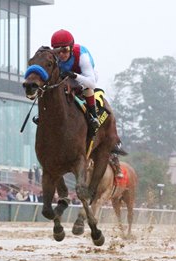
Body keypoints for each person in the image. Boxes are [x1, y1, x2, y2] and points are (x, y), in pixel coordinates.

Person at [51, 29, 124, 178]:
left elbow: (91, 82)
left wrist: (73, 75)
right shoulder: (54, 58)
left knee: (88, 89)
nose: (61, 55)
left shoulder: (82, 56)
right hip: (65, 81)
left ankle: (93, 116)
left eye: (64, 50)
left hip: (85, 77)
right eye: (57, 51)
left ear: (71, 48)